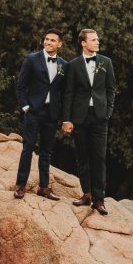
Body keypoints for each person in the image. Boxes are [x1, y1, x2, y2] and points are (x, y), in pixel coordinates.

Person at [61, 28, 116, 215]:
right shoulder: (73, 65)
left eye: (97, 39)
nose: (97, 42)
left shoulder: (106, 62)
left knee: (99, 158)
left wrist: (108, 112)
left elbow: (111, 90)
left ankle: (99, 199)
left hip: (100, 117)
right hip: (79, 117)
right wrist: (66, 119)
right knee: (82, 156)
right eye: (93, 40)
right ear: (83, 43)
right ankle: (87, 194)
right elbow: (68, 93)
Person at [14, 28, 68, 199]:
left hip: (51, 114)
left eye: (52, 40)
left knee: (46, 151)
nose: (48, 42)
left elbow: (64, 92)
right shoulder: (31, 59)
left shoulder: (63, 65)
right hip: (33, 111)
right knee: (28, 148)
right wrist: (25, 107)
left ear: (59, 44)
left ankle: (44, 188)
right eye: (46, 39)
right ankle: (20, 185)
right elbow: (20, 86)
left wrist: (63, 116)